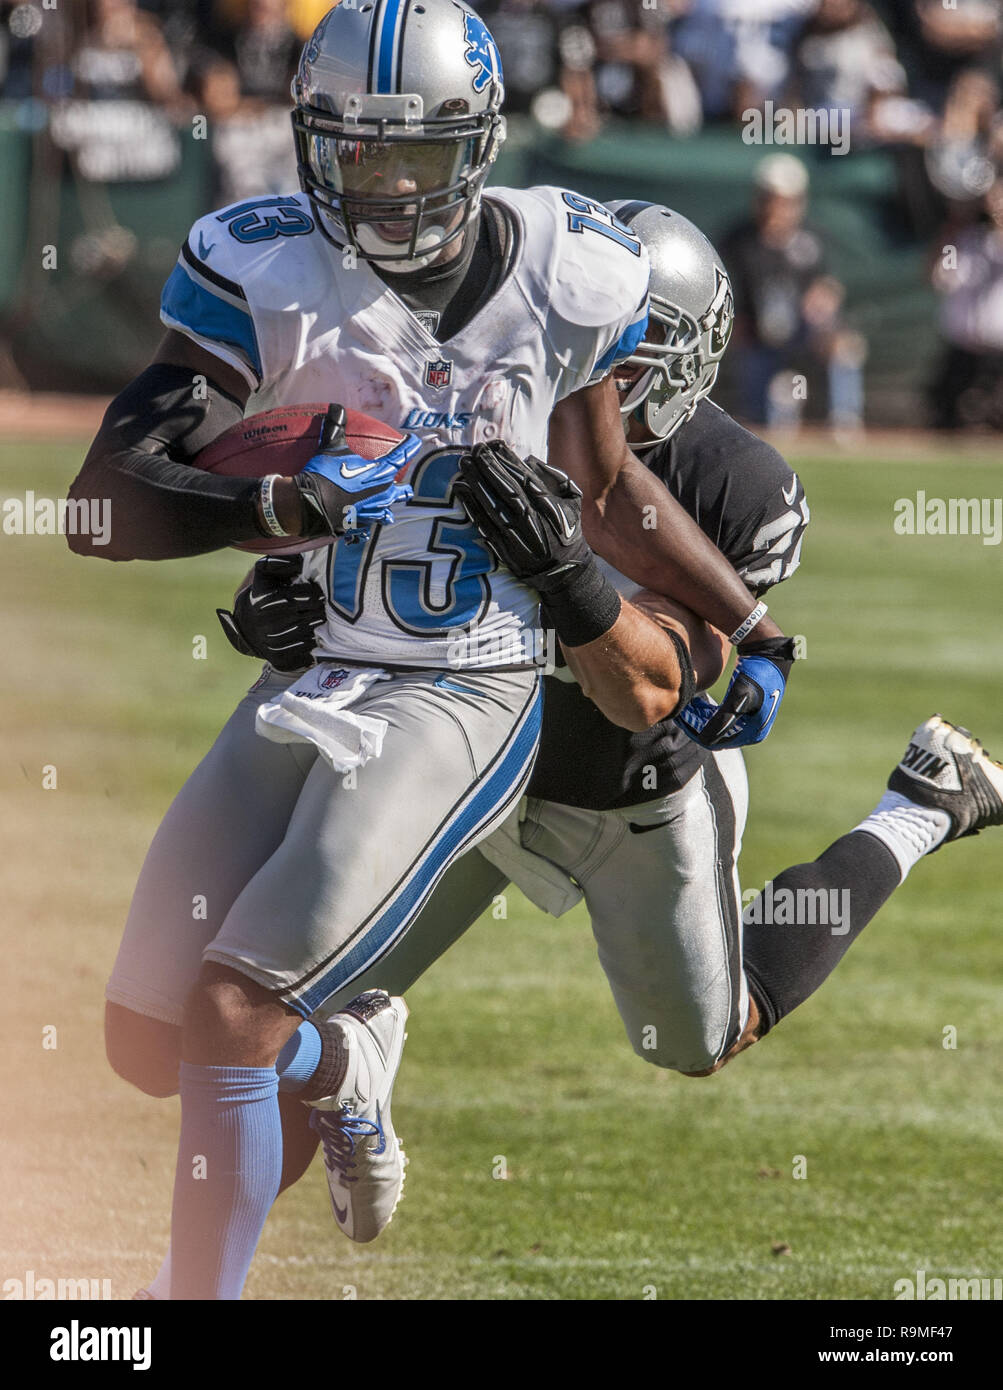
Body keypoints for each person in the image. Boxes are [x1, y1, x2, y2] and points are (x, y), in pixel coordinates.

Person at [67, 2, 794, 1300]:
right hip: (319, 671)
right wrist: (271, 518)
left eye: (416, 155)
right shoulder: (264, 263)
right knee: (141, 1040)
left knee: (233, 1011)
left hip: (465, 683)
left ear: (477, 145)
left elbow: (608, 482)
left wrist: (745, 621)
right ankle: (340, 1067)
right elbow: (102, 498)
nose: (387, 187)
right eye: (356, 154)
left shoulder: (562, 269)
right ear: (308, 143)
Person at [211, 202, 1003, 1272]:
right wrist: (294, 612)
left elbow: (648, 687)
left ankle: (920, 805)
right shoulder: (473, 405)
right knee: (264, 1013)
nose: (583, 377)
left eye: (615, 360)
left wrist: (564, 580)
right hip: (465, 763)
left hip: (635, 790)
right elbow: (371, 566)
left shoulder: (736, 489)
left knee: (704, 1039)